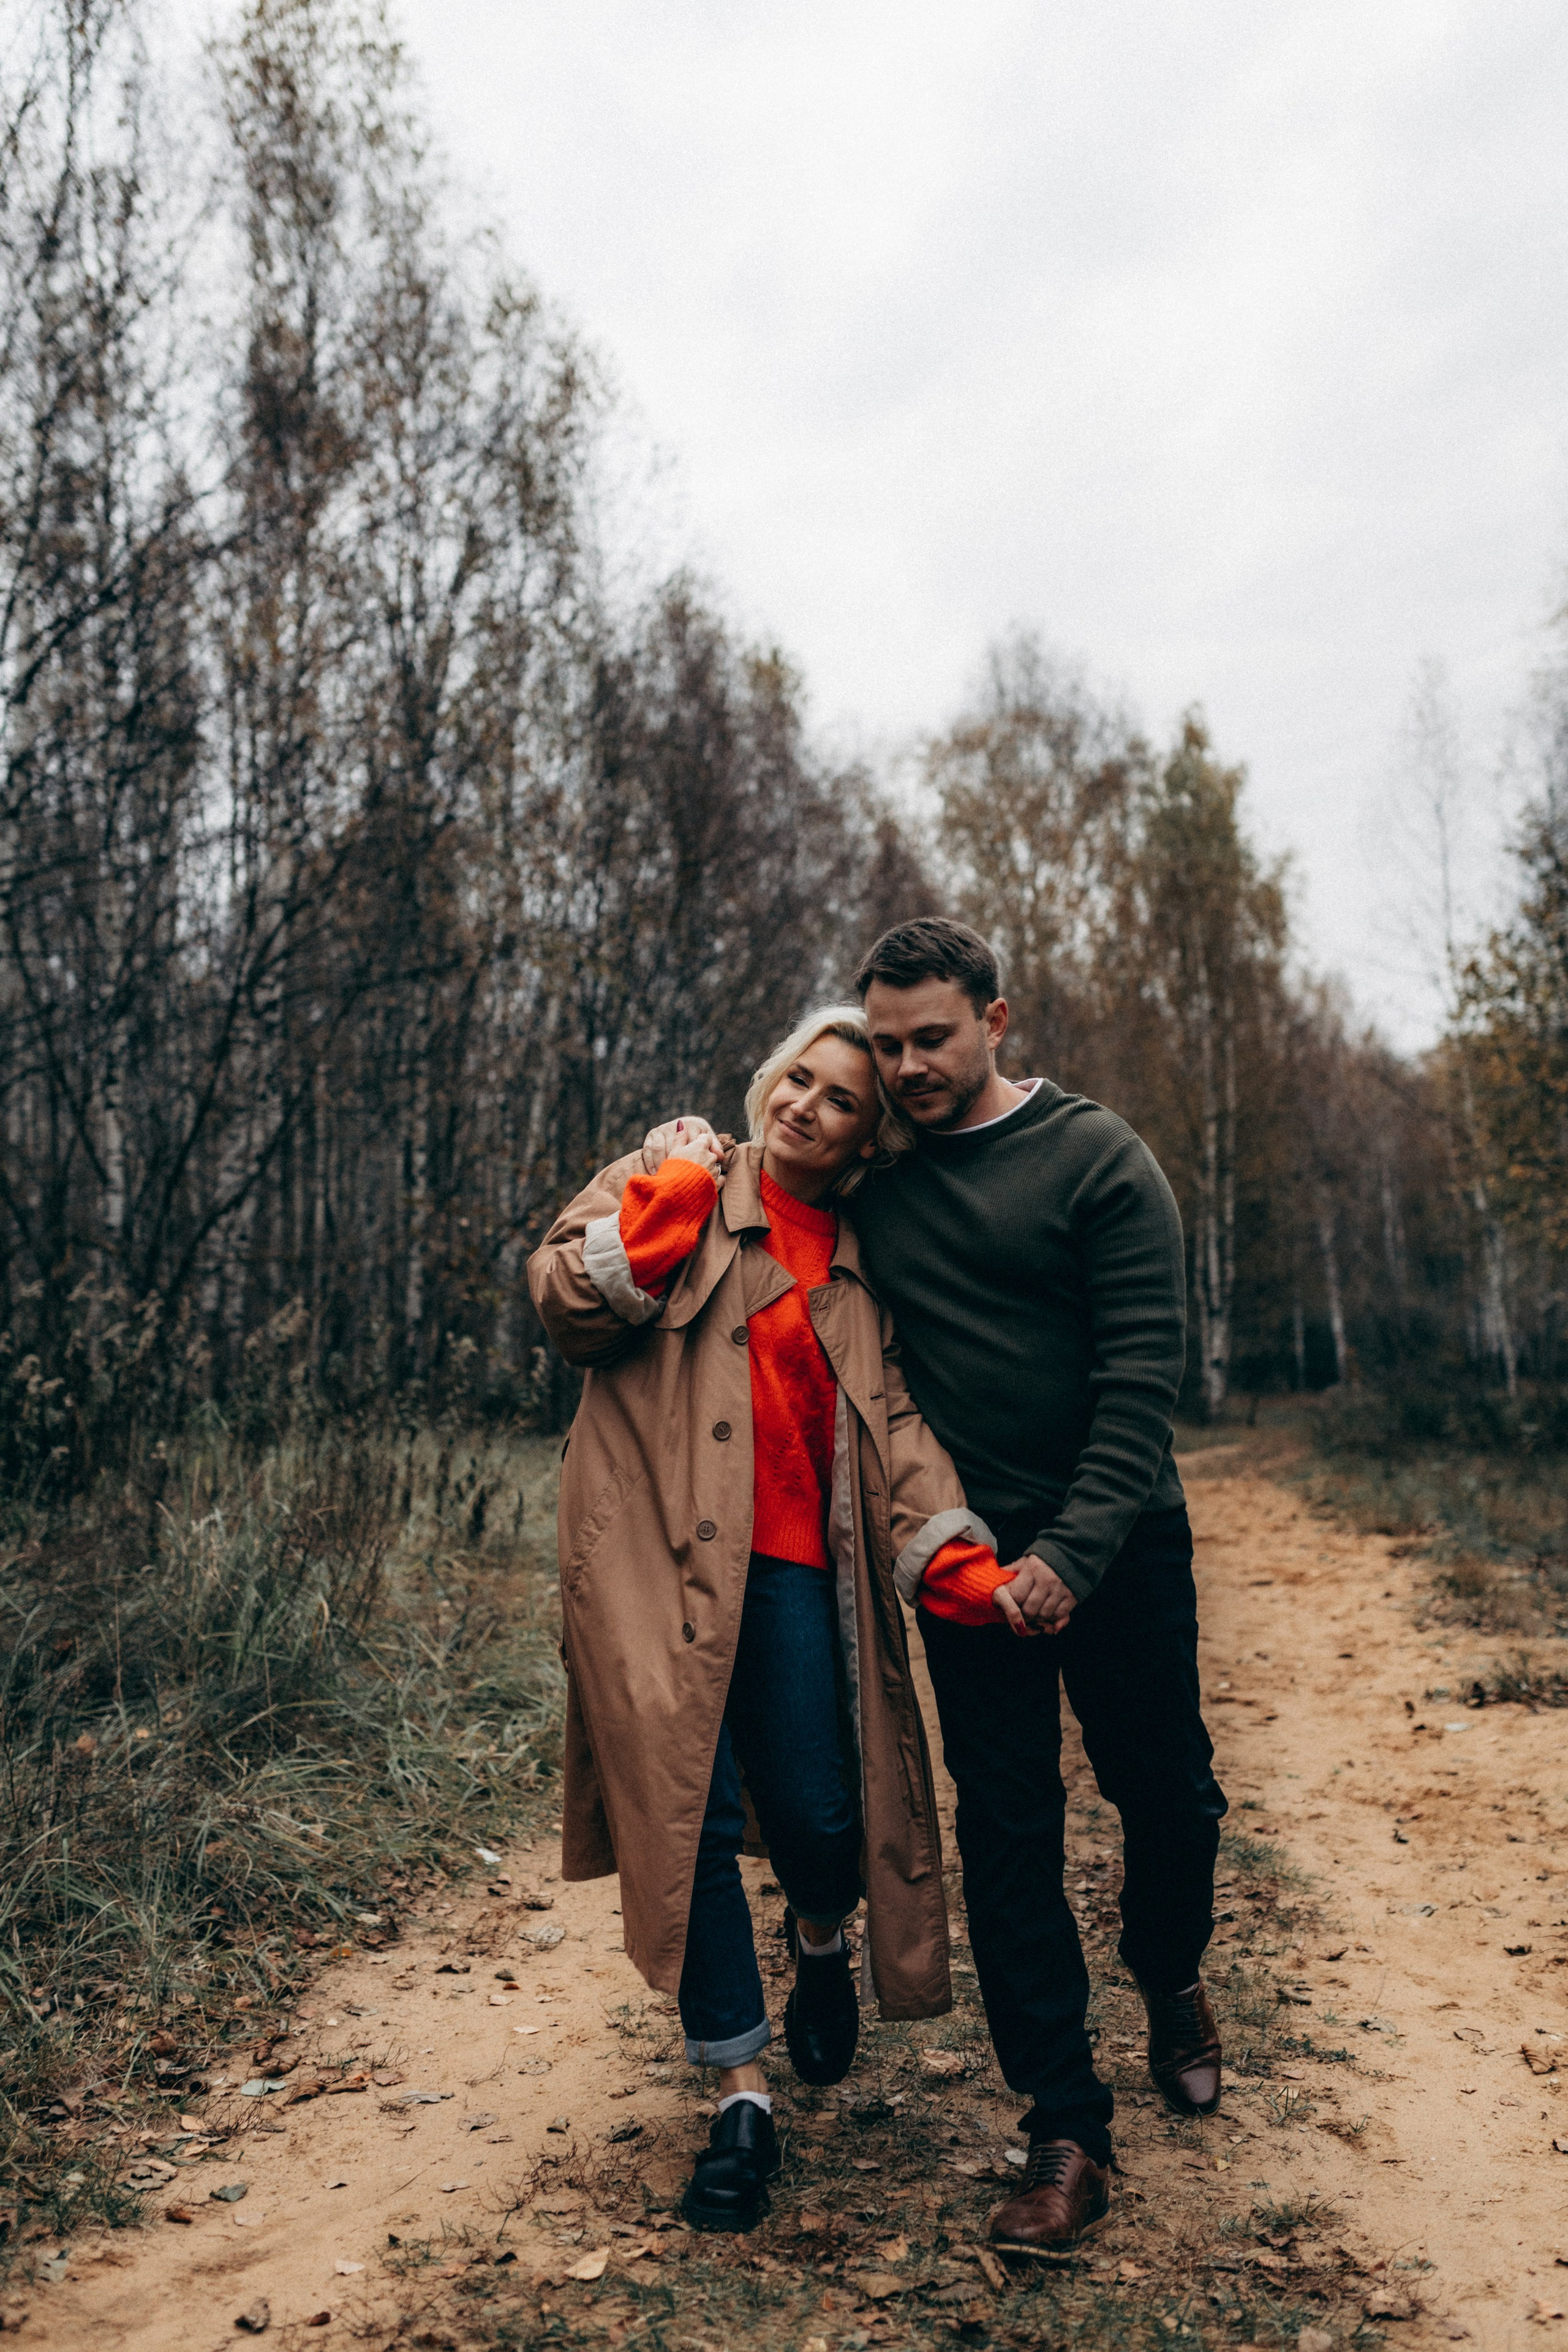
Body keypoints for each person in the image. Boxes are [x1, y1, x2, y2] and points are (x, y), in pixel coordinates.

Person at [643, 918, 1227, 2252]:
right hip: (966, 1563)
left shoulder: (1097, 1159)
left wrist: (1070, 1560)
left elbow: (1141, 1382)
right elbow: (769, 1182)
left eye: (929, 1039)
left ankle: (1168, 1968)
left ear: (995, 1022)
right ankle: (1064, 2127)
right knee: (1006, 1832)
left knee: (1169, 1796)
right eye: (886, 1043)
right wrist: (686, 1150)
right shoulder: (877, 1186)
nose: (903, 1066)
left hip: (1119, 1546)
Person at [527, 1004, 1005, 2234]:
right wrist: (654, 1214)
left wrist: (950, 1548)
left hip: (794, 1573)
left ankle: (817, 1928)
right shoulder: (669, 1167)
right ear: (768, 1081)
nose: (806, 1106)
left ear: (862, 1135)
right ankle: (740, 2095)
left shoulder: (855, 1257)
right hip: (649, 1568)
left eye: (840, 1098)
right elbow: (561, 1303)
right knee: (682, 1817)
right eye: (799, 1079)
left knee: (818, 1809)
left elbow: (892, 1420)